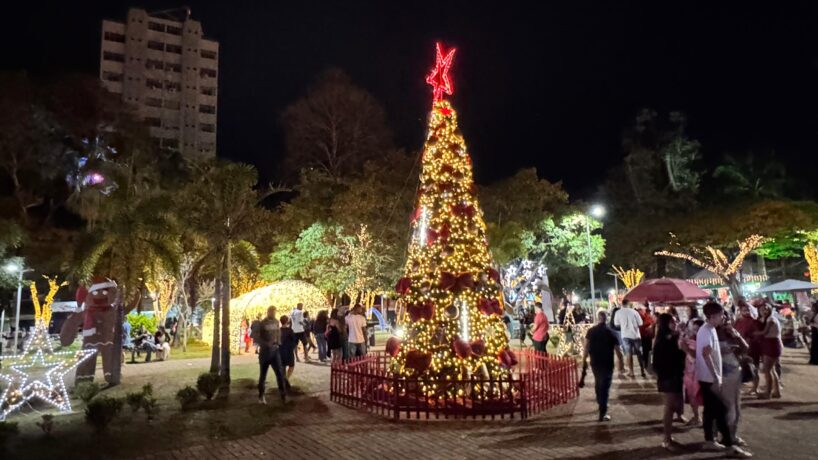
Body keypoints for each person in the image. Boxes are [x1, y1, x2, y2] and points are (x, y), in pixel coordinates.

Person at [695, 301, 752, 457]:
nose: (724, 317)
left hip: (709, 377)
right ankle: (729, 445)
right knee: (721, 410)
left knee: (712, 410)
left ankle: (710, 441)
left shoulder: (709, 329)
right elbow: (707, 355)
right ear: (712, 316)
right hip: (709, 378)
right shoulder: (706, 331)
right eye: (721, 314)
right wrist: (717, 376)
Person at [653, 313, 686, 451]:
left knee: (673, 406)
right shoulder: (664, 339)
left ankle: (668, 437)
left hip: (674, 375)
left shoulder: (670, 337)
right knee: (669, 408)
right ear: (666, 323)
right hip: (669, 377)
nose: (675, 323)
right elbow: (663, 361)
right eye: (672, 321)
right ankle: (666, 439)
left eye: (675, 320)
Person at [718, 312, 750, 447]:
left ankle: (732, 434)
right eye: (721, 316)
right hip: (721, 373)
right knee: (727, 406)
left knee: (736, 405)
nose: (724, 319)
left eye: (725, 316)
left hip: (735, 371)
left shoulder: (732, 333)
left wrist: (737, 337)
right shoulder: (712, 333)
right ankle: (725, 436)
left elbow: (746, 348)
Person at [582, 310, 620, 422]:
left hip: (595, 362)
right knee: (605, 386)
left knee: (598, 382)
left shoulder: (591, 331)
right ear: (606, 318)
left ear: (598, 318)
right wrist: (621, 362)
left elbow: (586, 347)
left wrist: (584, 359)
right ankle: (602, 410)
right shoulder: (611, 332)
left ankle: (600, 404)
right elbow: (618, 350)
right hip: (607, 363)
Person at [253, 306, 289, 404]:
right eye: (271, 312)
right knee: (263, 375)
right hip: (265, 353)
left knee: (280, 374)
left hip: (275, 352)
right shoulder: (262, 323)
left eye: (274, 312)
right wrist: (265, 343)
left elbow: (278, 333)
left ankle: (283, 395)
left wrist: (278, 342)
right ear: (268, 312)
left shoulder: (277, 322)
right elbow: (257, 337)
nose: (273, 314)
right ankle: (261, 396)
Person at [754, 303, 782, 399]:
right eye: (762, 309)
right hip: (771, 344)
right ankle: (776, 392)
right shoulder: (769, 319)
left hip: (771, 344)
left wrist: (753, 333)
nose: (764, 311)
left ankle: (768, 393)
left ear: (770, 309)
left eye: (766, 309)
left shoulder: (771, 319)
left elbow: (764, 332)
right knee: (772, 370)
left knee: (767, 370)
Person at [734, 303, 762, 395]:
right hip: (740, 348)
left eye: (747, 310)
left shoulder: (754, 321)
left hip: (752, 348)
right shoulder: (738, 321)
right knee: (741, 367)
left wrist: (749, 338)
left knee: (753, 367)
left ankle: (755, 387)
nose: (746, 311)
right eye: (744, 310)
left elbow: (758, 335)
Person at [681, 318, 704, 426]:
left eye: (698, 330)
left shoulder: (704, 340)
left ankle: (704, 418)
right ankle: (696, 417)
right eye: (694, 329)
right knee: (691, 395)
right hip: (689, 371)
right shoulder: (690, 338)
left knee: (700, 395)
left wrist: (686, 349)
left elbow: (696, 356)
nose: (696, 332)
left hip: (699, 371)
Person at [614, 299, 646, 378]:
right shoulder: (634, 312)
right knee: (639, 353)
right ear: (629, 304)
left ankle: (631, 372)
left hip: (625, 336)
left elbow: (616, 325)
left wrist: (624, 325)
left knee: (629, 353)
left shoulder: (618, 312)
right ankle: (642, 370)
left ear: (622, 304)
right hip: (636, 335)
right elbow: (641, 323)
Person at [638, 303, 655, 372]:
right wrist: (648, 324)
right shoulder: (641, 314)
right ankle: (645, 364)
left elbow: (652, 322)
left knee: (648, 350)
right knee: (645, 350)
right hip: (643, 335)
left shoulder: (648, 316)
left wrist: (651, 325)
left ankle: (648, 364)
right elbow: (641, 324)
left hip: (648, 335)